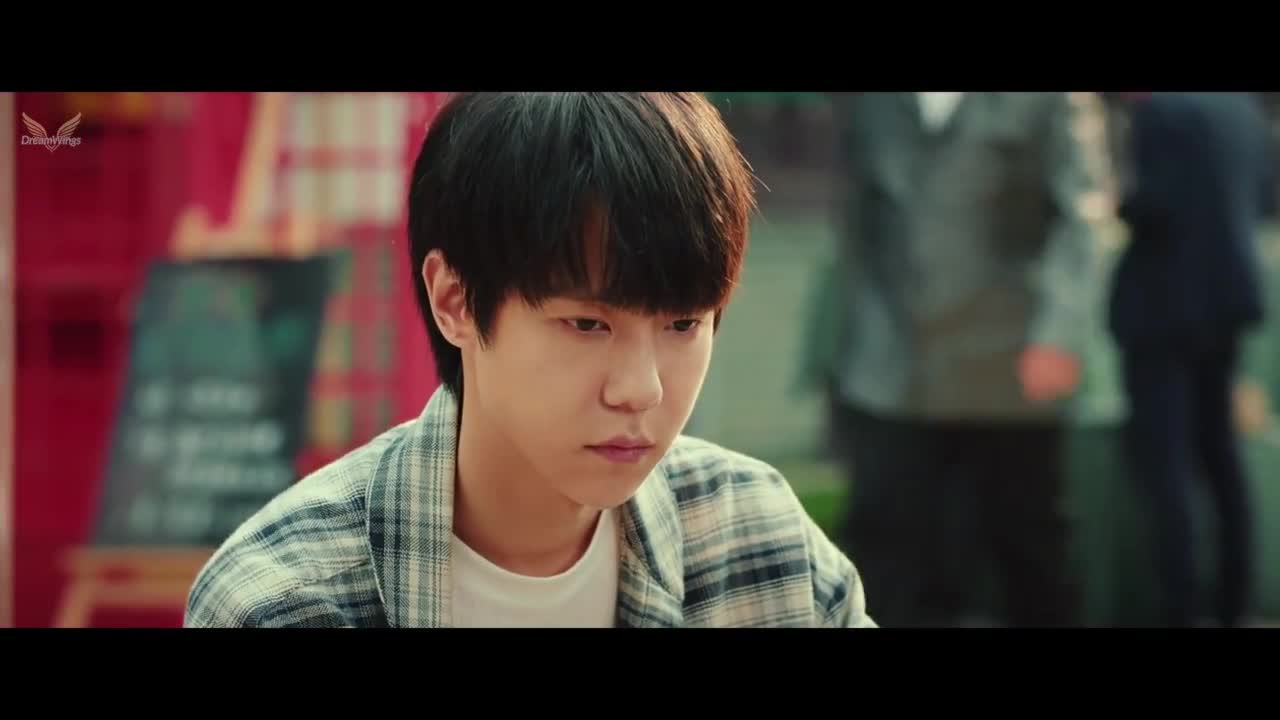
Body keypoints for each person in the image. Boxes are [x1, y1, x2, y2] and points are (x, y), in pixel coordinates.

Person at [183, 92, 876, 628]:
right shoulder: (289, 602)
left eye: (682, 324)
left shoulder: (763, 551)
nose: (641, 389)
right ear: (454, 300)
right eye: (587, 324)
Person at [825, 92, 1111, 627]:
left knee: (1028, 548)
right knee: (886, 549)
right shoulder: (873, 103)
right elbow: (860, 221)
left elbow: (1081, 218)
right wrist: (845, 348)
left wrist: (1059, 334)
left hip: (1008, 367)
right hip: (896, 368)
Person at [1110, 92, 1276, 628]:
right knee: (1222, 459)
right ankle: (1234, 605)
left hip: (1163, 308)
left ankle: (1181, 608)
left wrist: (1119, 204)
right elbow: (1265, 197)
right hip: (1227, 302)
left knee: (1167, 468)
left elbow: (1153, 202)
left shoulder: (1160, 112)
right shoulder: (1244, 111)